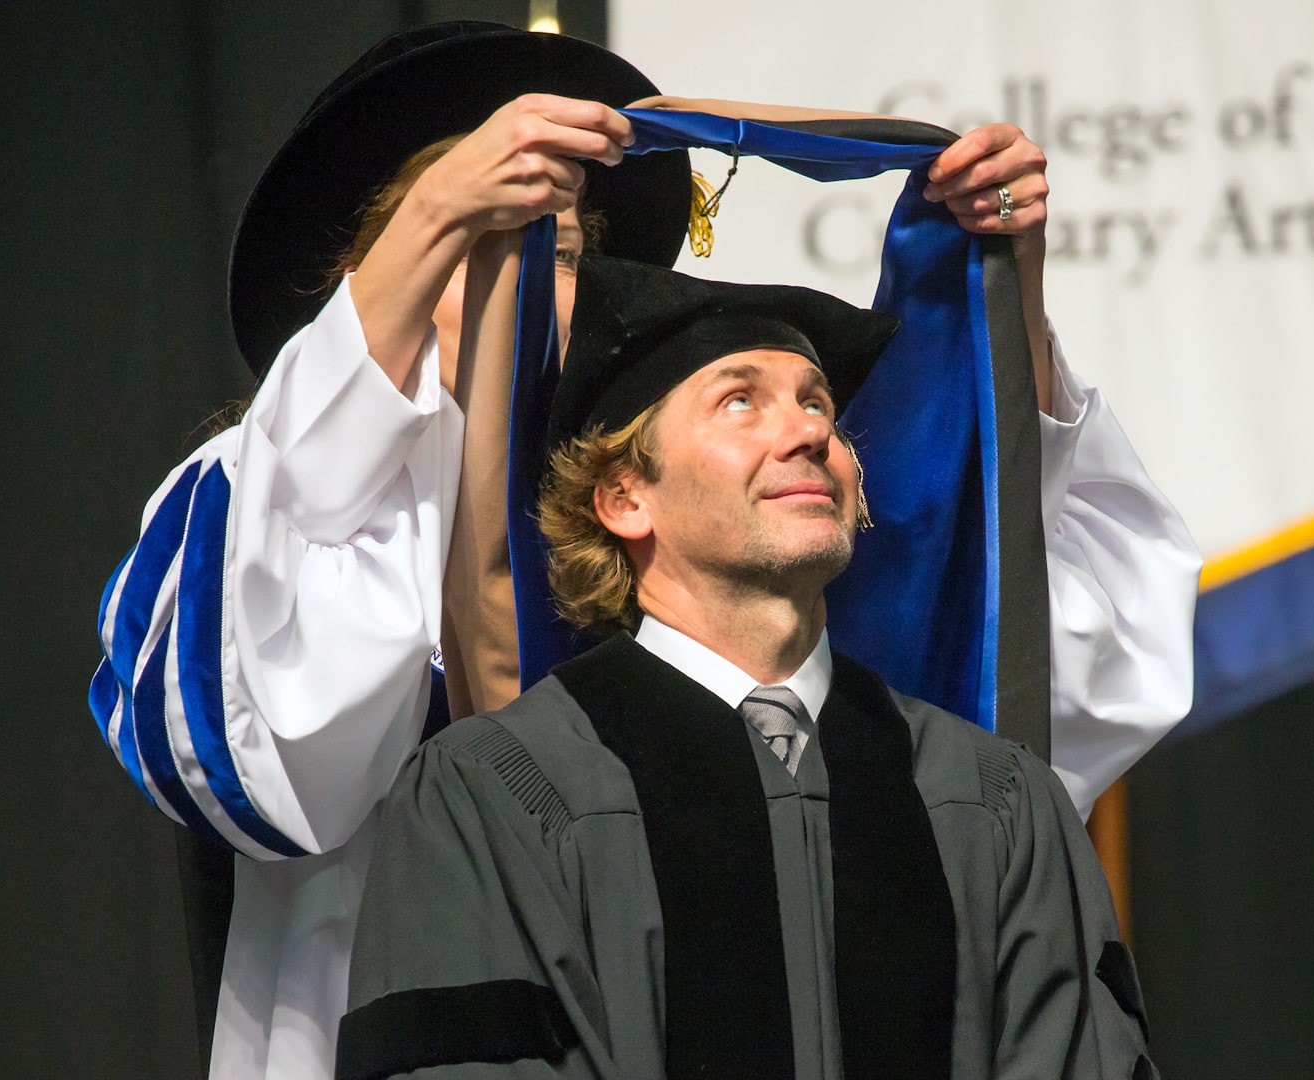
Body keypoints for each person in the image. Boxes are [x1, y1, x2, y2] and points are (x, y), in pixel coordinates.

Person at [90, 20, 1196, 1080]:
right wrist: (436, 205)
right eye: (474, 243)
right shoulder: (253, 503)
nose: (518, 284)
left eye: (558, 254)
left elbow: (1035, 678)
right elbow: (273, 768)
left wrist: (1005, 294)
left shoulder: (682, 519)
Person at [340, 254, 1160, 1080]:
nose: (810, 433)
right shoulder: (493, 795)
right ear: (625, 497)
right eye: (741, 401)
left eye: (819, 407)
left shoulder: (993, 799)